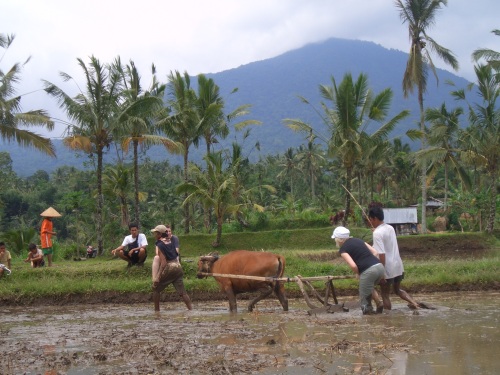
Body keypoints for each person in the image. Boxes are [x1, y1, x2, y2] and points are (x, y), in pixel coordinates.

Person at [368, 206, 420, 310]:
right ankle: (415, 304)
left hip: (387, 268)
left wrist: (382, 273)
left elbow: (381, 254)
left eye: (370, 219)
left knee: (385, 295)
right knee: (398, 290)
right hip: (398, 266)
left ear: (374, 218)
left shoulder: (377, 233)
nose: (370, 221)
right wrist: (376, 232)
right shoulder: (390, 228)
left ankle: (388, 319)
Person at [332, 226, 385, 315]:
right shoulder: (358, 240)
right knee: (368, 286)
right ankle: (379, 304)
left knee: (365, 302)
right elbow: (375, 252)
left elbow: (353, 265)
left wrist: (358, 273)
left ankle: (369, 317)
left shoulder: (343, 249)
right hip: (379, 267)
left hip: (369, 271)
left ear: (339, 240)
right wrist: (371, 264)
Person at [150, 224, 192, 312]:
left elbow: (164, 262)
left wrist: (158, 277)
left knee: (156, 288)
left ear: (159, 234)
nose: (154, 235)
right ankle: (191, 310)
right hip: (178, 267)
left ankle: (156, 312)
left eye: (156, 233)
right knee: (183, 292)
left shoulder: (160, 244)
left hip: (170, 267)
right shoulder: (170, 241)